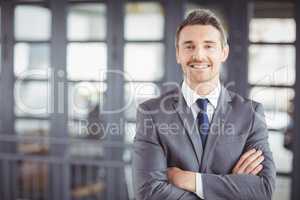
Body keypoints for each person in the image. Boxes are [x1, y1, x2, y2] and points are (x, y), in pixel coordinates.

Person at [132, 9, 276, 200]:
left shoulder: (251, 113)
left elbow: (263, 189)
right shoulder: (151, 113)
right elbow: (148, 193)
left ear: (224, 53)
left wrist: (192, 180)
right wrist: (232, 187)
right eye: (189, 46)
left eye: (209, 46)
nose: (199, 55)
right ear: (177, 53)